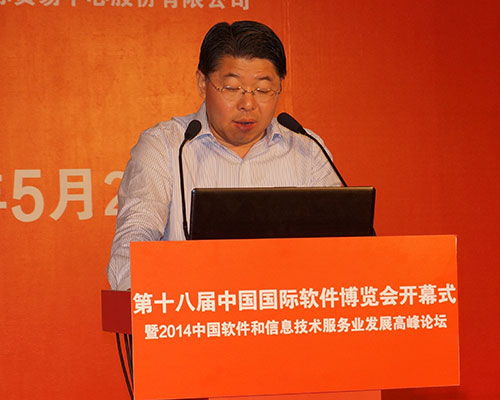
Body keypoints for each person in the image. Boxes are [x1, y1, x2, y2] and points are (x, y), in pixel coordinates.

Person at [107, 20, 342, 290]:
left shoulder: (307, 149)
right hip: (192, 309)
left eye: (263, 90)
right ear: (202, 83)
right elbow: (135, 237)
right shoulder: (166, 146)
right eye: (232, 88)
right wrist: (149, 296)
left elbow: (342, 243)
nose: (248, 104)